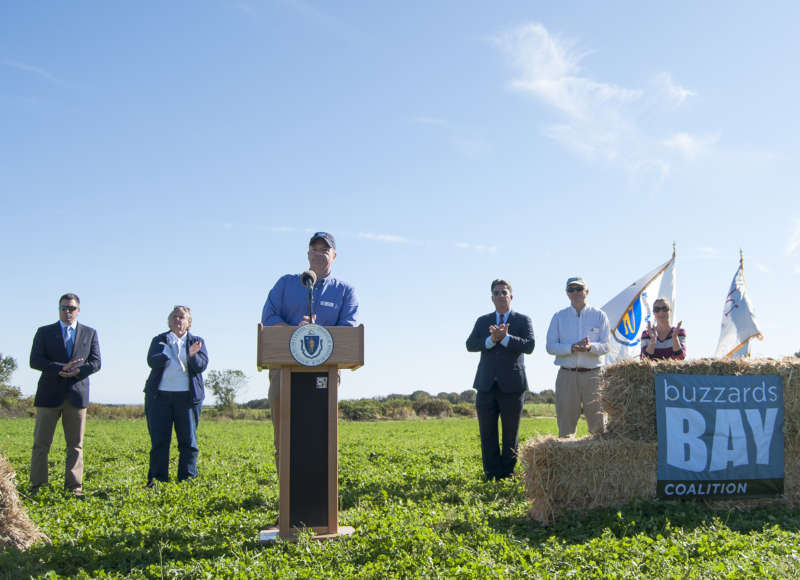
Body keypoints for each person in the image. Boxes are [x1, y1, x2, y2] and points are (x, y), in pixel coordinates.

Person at [260, 232, 359, 470]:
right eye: (313, 249)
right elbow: (268, 317)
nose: (318, 254)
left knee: (320, 437)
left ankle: (318, 494)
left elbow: (349, 329)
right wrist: (294, 330)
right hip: (283, 371)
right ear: (307, 255)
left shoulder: (345, 291)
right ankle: (286, 496)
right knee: (284, 437)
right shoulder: (285, 283)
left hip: (325, 373)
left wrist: (319, 333)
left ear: (334, 256)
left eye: (324, 250)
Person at [29, 293, 101, 497]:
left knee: (75, 446)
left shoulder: (90, 333)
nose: (67, 312)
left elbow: (96, 362)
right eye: (64, 308)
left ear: (78, 310)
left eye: (71, 308)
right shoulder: (44, 332)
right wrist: (59, 368)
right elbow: (35, 360)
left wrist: (78, 371)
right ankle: (38, 486)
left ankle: (74, 487)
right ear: (58, 309)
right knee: (41, 444)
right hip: (48, 395)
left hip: (76, 396)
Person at [466, 279, 535, 481]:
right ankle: (491, 474)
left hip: (512, 386)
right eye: (496, 292)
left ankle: (508, 475)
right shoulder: (482, 321)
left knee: (510, 435)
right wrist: (490, 340)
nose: (500, 295)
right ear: (492, 298)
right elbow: (470, 344)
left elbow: (529, 345)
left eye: (504, 292)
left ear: (511, 296)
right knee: (487, 434)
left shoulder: (522, 320)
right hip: (486, 385)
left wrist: (505, 338)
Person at [143, 305, 209, 485]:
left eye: (182, 317)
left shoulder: (197, 341)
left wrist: (192, 355)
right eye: (174, 317)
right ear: (169, 321)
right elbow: (151, 361)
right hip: (159, 397)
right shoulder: (160, 339)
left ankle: (187, 479)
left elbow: (201, 365)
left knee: (188, 441)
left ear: (189, 323)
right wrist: (166, 352)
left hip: (187, 398)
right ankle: (157, 479)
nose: (177, 320)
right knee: (159, 441)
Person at [545, 276, 609, 438]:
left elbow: (607, 346)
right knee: (566, 428)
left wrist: (590, 348)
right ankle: (566, 462)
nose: (575, 293)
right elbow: (550, 346)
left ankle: (599, 462)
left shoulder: (599, 315)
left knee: (599, 427)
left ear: (587, 292)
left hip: (594, 375)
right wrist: (571, 347)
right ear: (567, 293)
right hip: (567, 375)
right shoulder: (559, 317)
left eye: (579, 289)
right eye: (571, 290)